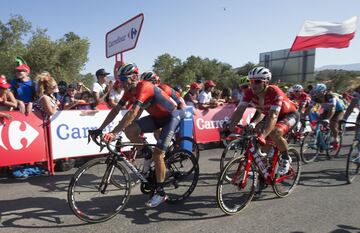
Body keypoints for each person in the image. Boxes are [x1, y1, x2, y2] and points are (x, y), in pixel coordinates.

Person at [90, 63, 185, 208]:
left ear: (134, 77)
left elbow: (133, 112)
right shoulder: (129, 90)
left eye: (123, 79)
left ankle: (160, 193)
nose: (121, 83)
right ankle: (146, 153)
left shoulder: (144, 86)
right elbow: (116, 109)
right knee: (130, 130)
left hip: (171, 117)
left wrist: (114, 132)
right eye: (119, 80)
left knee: (158, 154)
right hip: (157, 117)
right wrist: (100, 129)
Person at [227, 67, 299, 175]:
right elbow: (239, 111)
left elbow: (274, 116)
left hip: (288, 114)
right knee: (257, 130)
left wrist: (263, 135)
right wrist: (229, 128)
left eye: (257, 82)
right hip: (271, 115)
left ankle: (285, 157)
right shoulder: (249, 93)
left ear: (266, 82)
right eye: (251, 81)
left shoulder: (274, 91)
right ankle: (267, 161)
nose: (253, 85)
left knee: (275, 132)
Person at [310, 83, 346, 150]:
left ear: (324, 91)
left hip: (338, 111)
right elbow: (310, 108)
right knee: (317, 122)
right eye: (316, 93)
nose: (317, 95)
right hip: (327, 110)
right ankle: (321, 137)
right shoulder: (315, 97)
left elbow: (333, 109)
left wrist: (328, 119)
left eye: (319, 93)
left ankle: (336, 139)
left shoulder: (330, 96)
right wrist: (303, 116)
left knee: (332, 124)